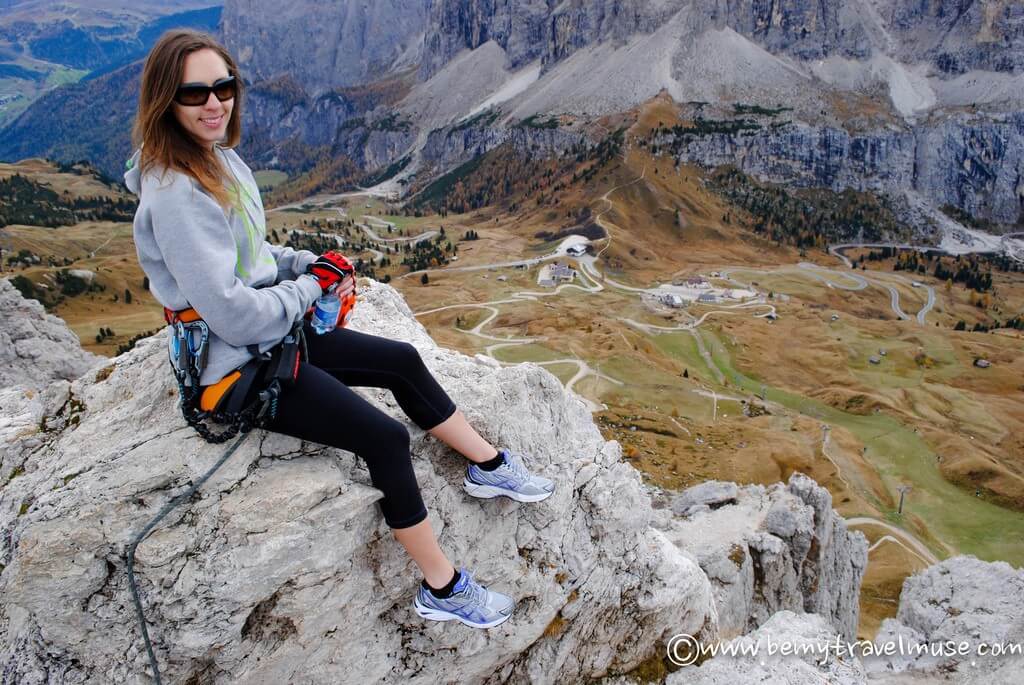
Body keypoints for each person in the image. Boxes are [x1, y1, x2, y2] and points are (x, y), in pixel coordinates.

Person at [125, 30, 555, 630]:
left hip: (271, 337)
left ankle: (488, 466)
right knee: (384, 439)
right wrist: (308, 290)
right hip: (237, 370)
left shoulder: (217, 158)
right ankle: (443, 587)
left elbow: (248, 255)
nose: (214, 102)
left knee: (401, 359)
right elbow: (231, 311)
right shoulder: (176, 194)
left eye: (224, 86)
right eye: (195, 92)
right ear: (166, 100)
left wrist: (305, 263)